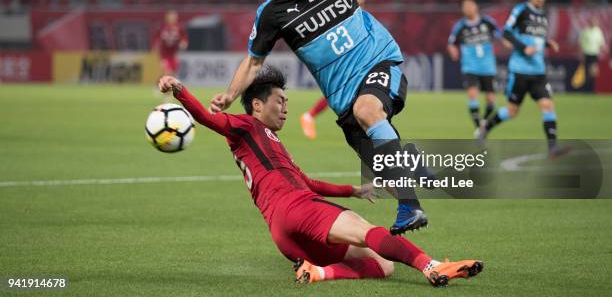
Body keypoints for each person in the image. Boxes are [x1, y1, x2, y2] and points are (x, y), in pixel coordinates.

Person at [209, 0, 475, 234]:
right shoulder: (273, 12)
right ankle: (408, 165)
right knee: (386, 174)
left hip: (379, 60)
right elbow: (254, 61)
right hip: (342, 98)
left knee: (367, 110)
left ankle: (411, 207)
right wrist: (231, 94)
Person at [158, 66, 483, 287]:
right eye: (280, 102)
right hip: (298, 208)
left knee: (384, 266)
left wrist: (353, 190)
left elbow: (309, 182)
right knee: (366, 230)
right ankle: (432, 265)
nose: (285, 108)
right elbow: (205, 117)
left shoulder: (269, 142)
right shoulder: (245, 126)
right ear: (256, 105)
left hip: (284, 233)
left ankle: (319, 272)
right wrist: (180, 89)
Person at [479, 0, 569, 157]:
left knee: (548, 106)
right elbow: (506, 31)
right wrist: (523, 47)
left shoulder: (543, 16)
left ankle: (552, 148)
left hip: (538, 72)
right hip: (520, 71)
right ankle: (486, 126)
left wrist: (548, 43)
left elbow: (536, 40)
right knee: (512, 111)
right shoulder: (521, 10)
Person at [300, 0, 368, 140]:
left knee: (348, 92)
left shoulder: (360, 13)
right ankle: (310, 116)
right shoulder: (340, 10)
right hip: (339, 57)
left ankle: (310, 116)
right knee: (343, 91)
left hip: (355, 58)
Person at [448, 0, 501, 135]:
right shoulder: (460, 26)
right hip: (470, 67)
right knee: (472, 95)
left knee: (491, 100)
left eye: (470, 5)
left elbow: (500, 36)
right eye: (465, 6)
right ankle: (478, 127)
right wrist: (454, 51)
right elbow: (452, 43)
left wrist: (508, 44)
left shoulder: (487, 22)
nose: (468, 8)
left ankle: (484, 121)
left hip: (488, 67)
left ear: (476, 6)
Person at [152, 10, 188, 76]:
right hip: (164, 54)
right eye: (171, 16)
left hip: (173, 54)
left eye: (174, 16)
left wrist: (183, 43)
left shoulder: (179, 28)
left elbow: (183, 38)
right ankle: (162, 84)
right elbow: (156, 38)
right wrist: (155, 45)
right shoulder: (162, 27)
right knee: (168, 71)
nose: (173, 18)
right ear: (167, 17)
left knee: (173, 72)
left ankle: (160, 84)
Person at [576, 17, 607, 92]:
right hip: (586, 53)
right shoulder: (585, 31)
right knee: (586, 71)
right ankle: (586, 88)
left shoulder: (598, 31)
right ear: (589, 22)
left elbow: (601, 43)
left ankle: (592, 87)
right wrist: (580, 53)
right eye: (592, 21)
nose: (594, 23)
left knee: (594, 72)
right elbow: (580, 43)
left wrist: (605, 50)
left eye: (595, 22)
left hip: (594, 53)